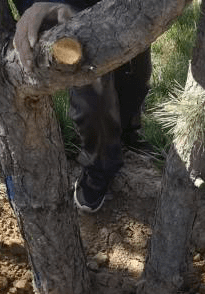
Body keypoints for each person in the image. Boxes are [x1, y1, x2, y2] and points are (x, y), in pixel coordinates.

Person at [13, 0, 152, 213]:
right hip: (48, 4)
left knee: (135, 67)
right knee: (85, 61)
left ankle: (126, 129)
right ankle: (100, 167)